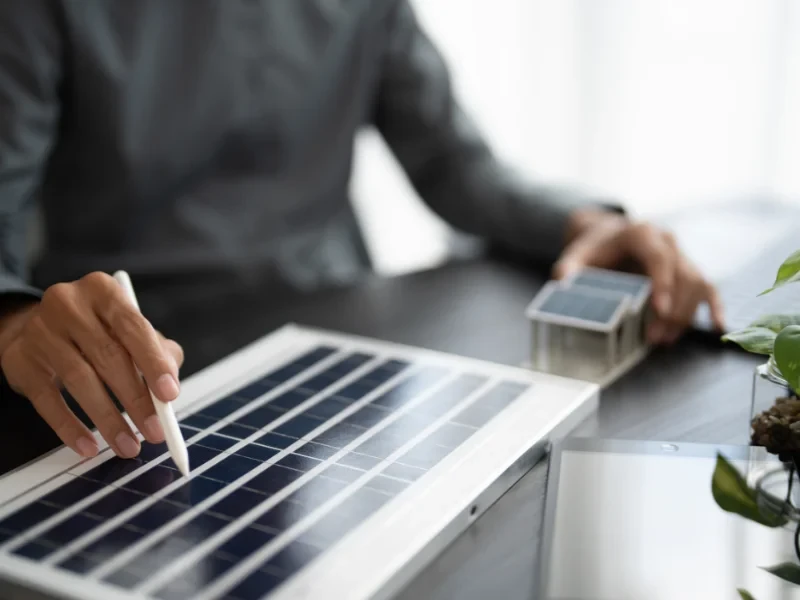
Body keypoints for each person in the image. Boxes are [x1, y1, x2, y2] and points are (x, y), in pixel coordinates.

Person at [0, 1, 723, 465]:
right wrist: (15, 320)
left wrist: (591, 223)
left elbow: (454, 163)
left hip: (339, 357)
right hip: (133, 372)